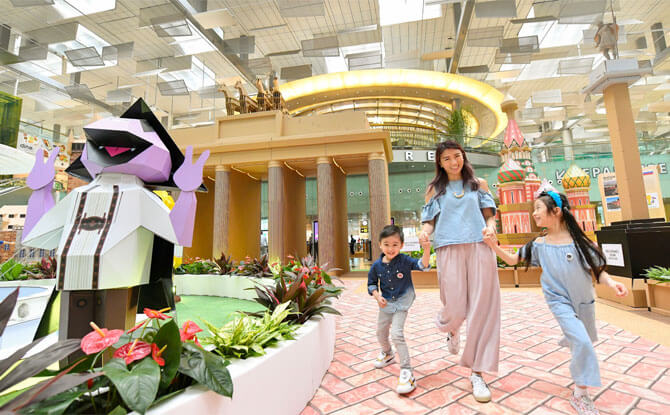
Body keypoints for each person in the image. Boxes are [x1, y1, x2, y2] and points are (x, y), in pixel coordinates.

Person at [483, 187, 628, 415]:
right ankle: (580, 394)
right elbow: (512, 260)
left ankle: (577, 364)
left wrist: (612, 283)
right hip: (558, 301)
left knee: (582, 341)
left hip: (584, 302)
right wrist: (493, 245)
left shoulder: (580, 243)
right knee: (582, 342)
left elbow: (598, 271)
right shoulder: (538, 244)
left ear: (556, 211)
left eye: (538, 208)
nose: (534, 213)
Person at [418, 140, 499, 403]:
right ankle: (452, 328)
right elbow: (429, 222)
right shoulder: (434, 189)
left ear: (463, 156)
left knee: (482, 310)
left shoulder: (479, 184)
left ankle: (477, 372)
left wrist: (491, 227)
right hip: (448, 248)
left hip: (480, 247)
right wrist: (424, 233)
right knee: (453, 306)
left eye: (457, 156)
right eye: (447, 159)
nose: (454, 162)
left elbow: (489, 215)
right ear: (440, 163)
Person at [367, 225, 431, 395]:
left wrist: (426, 249)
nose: (391, 248)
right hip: (385, 304)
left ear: (401, 245)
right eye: (386, 244)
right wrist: (377, 296)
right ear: (380, 245)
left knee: (396, 334)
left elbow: (422, 265)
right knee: (380, 333)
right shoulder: (376, 266)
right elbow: (371, 283)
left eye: (395, 244)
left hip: (402, 303)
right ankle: (387, 353)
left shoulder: (405, 261)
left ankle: (407, 372)